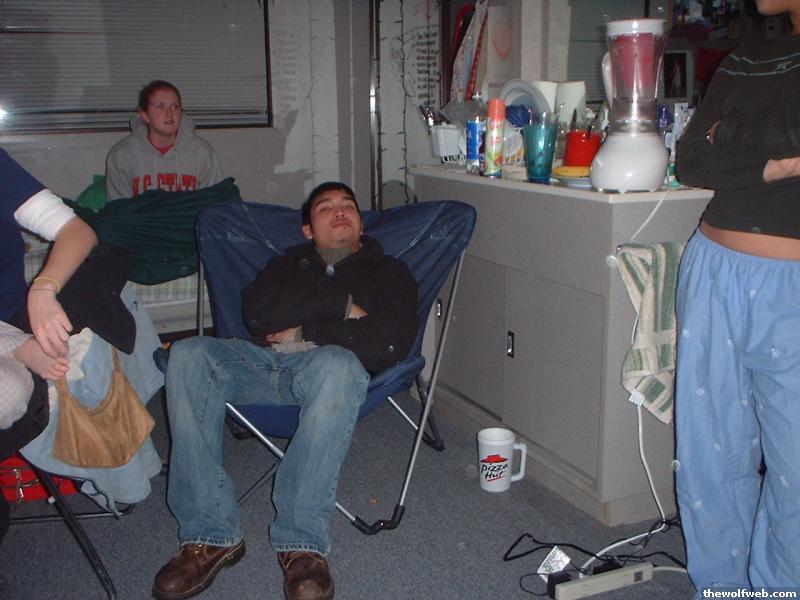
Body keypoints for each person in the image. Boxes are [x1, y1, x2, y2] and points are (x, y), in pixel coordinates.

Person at [152, 182, 418, 600]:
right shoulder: (286, 264)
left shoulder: (391, 273)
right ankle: (209, 535)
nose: (340, 212)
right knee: (188, 353)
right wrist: (342, 307)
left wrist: (304, 329)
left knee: (337, 362)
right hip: (263, 364)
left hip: (332, 375)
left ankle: (301, 543)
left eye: (348, 206)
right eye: (325, 208)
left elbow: (388, 343)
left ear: (361, 224)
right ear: (308, 230)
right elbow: (257, 315)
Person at [674, 0, 800, 594]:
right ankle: (723, 589)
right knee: (710, 455)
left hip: (790, 287)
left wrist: (732, 134)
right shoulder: (746, 58)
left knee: (795, 468)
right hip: (713, 267)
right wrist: (771, 166)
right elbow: (691, 160)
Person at [0, 146, 98, 540]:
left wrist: (44, 288)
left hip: (7, 315)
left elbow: (78, 232)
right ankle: (15, 344)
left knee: (10, 391)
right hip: (13, 338)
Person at [105, 80, 224, 201]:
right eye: (160, 106)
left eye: (175, 106)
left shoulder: (203, 152)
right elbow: (119, 208)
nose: (169, 113)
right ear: (145, 115)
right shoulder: (121, 155)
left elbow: (216, 204)